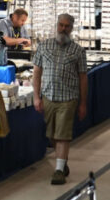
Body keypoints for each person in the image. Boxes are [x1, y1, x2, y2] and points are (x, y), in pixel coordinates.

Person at [34, 13, 88, 185]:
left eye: (67, 26)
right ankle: (62, 162)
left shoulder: (78, 51)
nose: (63, 29)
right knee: (52, 135)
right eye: (61, 25)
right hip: (49, 96)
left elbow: (83, 78)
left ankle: (58, 170)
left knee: (63, 135)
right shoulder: (44, 46)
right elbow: (36, 73)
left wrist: (83, 103)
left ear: (72, 29)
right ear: (56, 25)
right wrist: (36, 96)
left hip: (68, 98)